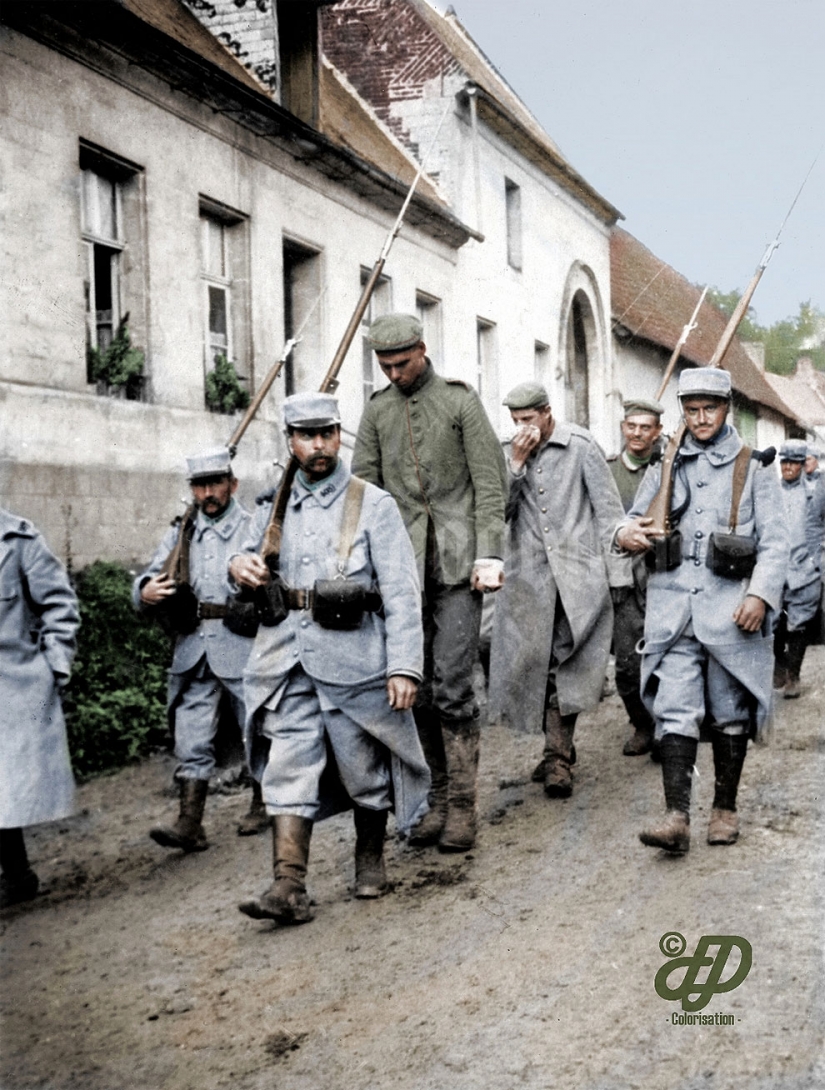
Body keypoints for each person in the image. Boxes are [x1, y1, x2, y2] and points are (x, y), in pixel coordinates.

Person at [230, 392, 429, 924]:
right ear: (290, 441)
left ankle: (370, 855)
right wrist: (239, 567)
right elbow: (244, 555)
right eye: (306, 436)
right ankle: (288, 884)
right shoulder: (273, 505)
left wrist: (403, 667)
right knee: (288, 766)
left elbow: (401, 592)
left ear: (340, 436)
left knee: (362, 767)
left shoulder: (373, 504)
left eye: (327, 434)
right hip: (284, 658)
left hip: (352, 660)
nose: (318, 446)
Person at [352, 314, 507, 852]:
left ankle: (462, 806)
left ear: (422, 349)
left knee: (453, 684)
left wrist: (490, 552)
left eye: (402, 363)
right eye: (385, 367)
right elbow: (363, 492)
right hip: (402, 572)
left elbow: (490, 483)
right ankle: (436, 799)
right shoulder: (377, 412)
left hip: (459, 567)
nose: (394, 375)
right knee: (413, 686)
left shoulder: (460, 401)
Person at [616, 368, 787, 853]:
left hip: (731, 613)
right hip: (672, 609)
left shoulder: (754, 466)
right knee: (675, 708)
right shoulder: (666, 462)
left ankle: (724, 809)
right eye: (691, 411)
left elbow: (776, 543)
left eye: (710, 409)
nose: (701, 419)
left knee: (729, 709)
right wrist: (625, 533)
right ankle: (676, 817)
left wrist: (760, 596)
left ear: (727, 408)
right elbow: (632, 520)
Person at [487, 382, 627, 798]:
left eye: (528, 419)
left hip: (577, 577)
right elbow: (497, 513)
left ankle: (557, 758)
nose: (522, 427)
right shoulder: (508, 452)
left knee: (566, 662)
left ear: (547, 412)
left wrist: (617, 575)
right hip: (528, 580)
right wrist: (515, 464)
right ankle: (558, 746)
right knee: (533, 663)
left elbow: (609, 512)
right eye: (515, 420)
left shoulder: (580, 446)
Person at [134, 448, 265, 852]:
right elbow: (151, 573)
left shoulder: (253, 526)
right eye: (199, 485)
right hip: (194, 648)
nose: (207, 493)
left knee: (257, 726)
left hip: (242, 644)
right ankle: (190, 821)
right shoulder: (183, 531)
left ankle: (264, 802)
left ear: (233, 485)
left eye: (215, 484)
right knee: (191, 733)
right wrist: (144, 591)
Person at [0, 509, 80, 908]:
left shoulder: (18, 540)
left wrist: (54, 666)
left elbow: (60, 605)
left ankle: (17, 876)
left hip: (11, 686)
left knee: (6, 784)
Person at [607, 398, 664, 757]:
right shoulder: (608, 471)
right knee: (628, 664)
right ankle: (642, 724)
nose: (638, 433)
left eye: (646, 427)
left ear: (657, 432)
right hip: (624, 577)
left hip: (664, 572)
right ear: (623, 428)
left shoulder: (669, 467)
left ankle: (666, 727)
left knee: (668, 656)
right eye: (632, 426)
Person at [773, 439, 825, 698]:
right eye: (784, 462)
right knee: (772, 622)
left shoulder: (816, 492)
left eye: (794, 462)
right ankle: (779, 663)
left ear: (803, 465)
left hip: (805, 568)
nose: (788, 467)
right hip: (775, 568)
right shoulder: (771, 490)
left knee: (799, 624)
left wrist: (818, 561)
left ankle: (793, 675)